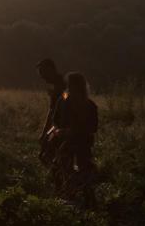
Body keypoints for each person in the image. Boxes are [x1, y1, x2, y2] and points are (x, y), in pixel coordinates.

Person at [49, 72, 98, 206]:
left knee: (77, 169)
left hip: (76, 142)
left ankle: (81, 197)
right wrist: (59, 131)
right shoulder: (67, 99)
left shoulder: (87, 104)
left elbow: (91, 128)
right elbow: (56, 120)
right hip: (72, 141)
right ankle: (77, 197)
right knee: (69, 168)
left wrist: (66, 132)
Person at [36, 58, 66, 166]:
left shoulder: (62, 84)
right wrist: (45, 132)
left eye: (43, 74)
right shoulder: (58, 84)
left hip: (64, 127)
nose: (43, 78)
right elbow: (52, 110)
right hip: (58, 125)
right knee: (45, 153)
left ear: (50, 69)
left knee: (47, 155)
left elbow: (61, 105)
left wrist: (46, 133)